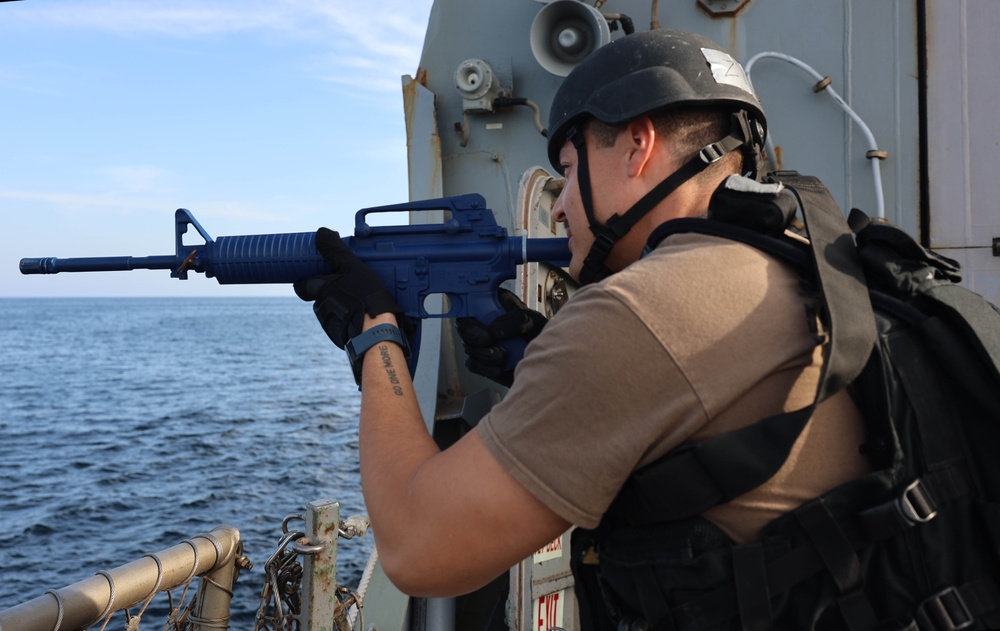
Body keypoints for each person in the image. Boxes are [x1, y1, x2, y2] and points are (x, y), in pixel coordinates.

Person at [294, 28, 872, 629]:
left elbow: (417, 549)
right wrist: (545, 363)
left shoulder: (643, 309)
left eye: (568, 170)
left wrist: (375, 337)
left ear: (637, 147)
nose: (563, 205)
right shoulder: (811, 257)